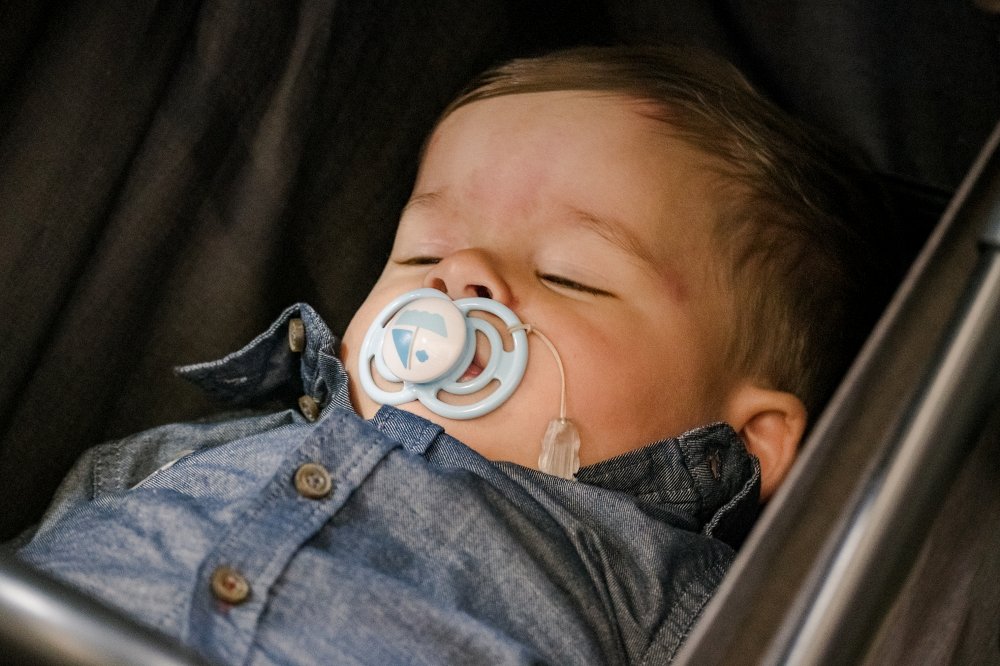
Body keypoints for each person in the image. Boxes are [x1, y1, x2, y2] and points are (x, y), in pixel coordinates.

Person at [10, 45, 888, 664]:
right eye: (422, 254)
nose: (460, 274)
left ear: (745, 443)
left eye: (569, 275)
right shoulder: (176, 457)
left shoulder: (664, 594)